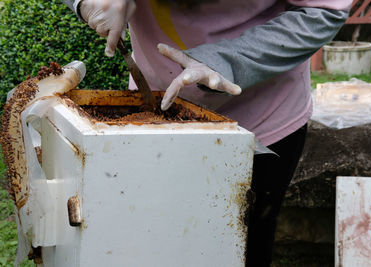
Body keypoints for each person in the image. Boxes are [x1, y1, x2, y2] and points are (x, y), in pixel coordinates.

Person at [63, 0, 352, 265]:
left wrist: (227, 60)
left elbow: (323, 10)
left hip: (262, 115)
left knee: (242, 246)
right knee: (154, 238)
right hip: (157, 112)